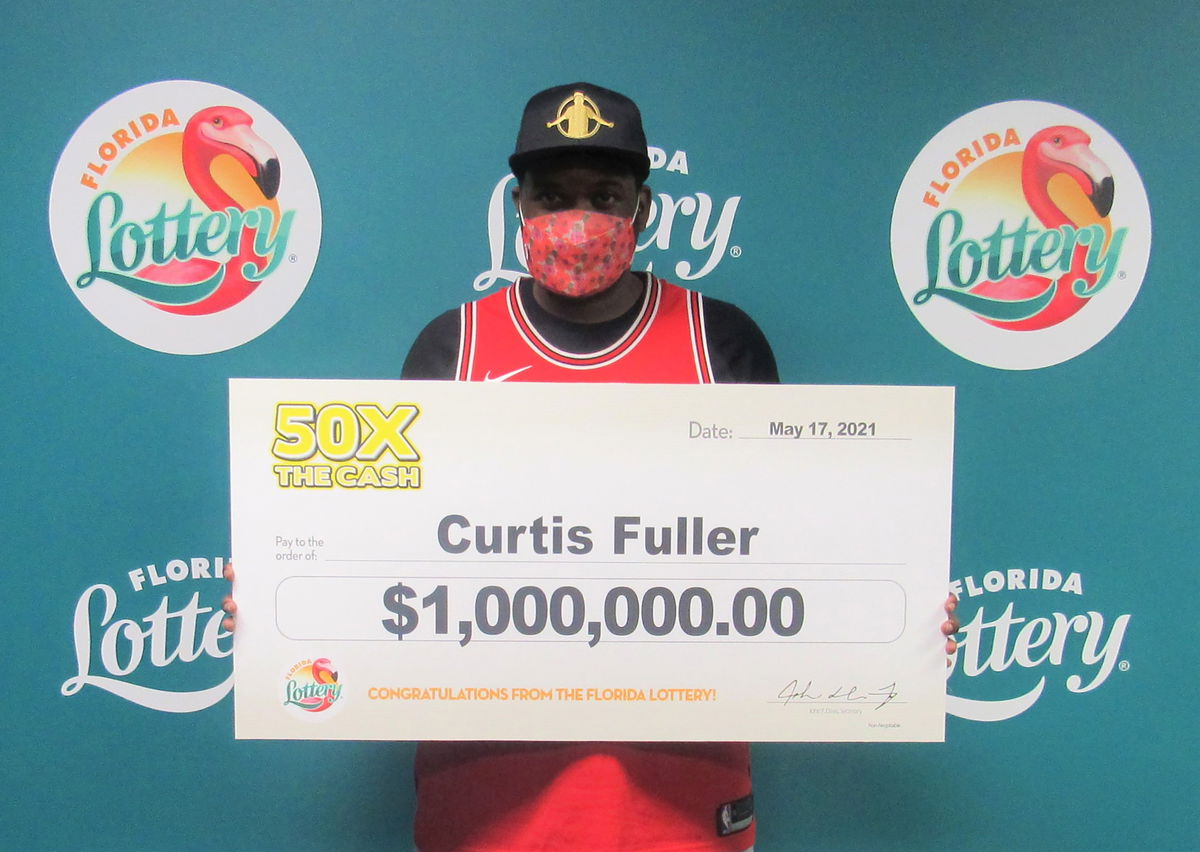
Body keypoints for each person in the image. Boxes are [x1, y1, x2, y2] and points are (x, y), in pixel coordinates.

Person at [225, 82, 960, 852]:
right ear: (519, 207)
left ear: (643, 210)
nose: (577, 220)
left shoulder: (723, 342)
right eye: (553, 195)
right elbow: (388, 558)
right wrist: (282, 604)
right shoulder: (453, 347)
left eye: (605, 195)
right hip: (489, 801)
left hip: (681, 799)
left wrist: (895, 622)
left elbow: (791, 554)